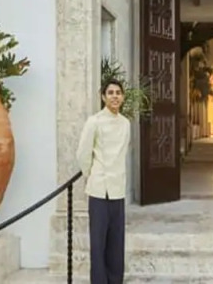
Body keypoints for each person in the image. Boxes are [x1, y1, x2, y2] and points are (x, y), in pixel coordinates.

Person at [76, 78, 131, 284]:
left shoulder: (125, 123)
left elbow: (123, 152)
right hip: (99, 190)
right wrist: (91, 175)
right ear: (103, 97)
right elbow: (83, 154)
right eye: (110, 93)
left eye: (118, 93)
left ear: (122, 97)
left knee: (116, 243)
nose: (115, 96)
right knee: (98, 245)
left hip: (118, 190)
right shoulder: (95, 122)